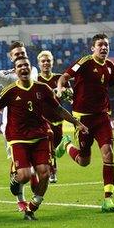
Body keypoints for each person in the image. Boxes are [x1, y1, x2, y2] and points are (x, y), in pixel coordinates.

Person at [0, 57, 88, 220]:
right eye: (19, 66)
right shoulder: (9, 91)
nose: (23, 68)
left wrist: (77, 123)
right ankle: (15, 179)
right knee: (24, 175)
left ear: (31, 69)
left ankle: (33, 206)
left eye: (26, 65)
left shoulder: (42, 88)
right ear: (15, 71)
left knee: (44, 173)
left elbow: (58, 109)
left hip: (39, 136)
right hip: (18, 138)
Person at [55, 33, 114, 212]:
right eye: (100, 45)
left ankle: (108, 199)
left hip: (102, 116)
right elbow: (63, 77)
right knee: (83, 161)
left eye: (106, 45)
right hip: (82, 118)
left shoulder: (110, 66)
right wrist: (60, 89)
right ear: (93, 48)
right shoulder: (85, 62)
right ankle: (67, 145)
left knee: (108, 153)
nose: (104, 48)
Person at [0, 41, 39, 211]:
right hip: (13, 127)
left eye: (22, 53)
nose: (20, 55)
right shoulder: (9, 75)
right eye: (17, 54)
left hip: (34, 124)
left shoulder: (33, 70)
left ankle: (32, 186)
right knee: (20, 163)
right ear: (11, 57)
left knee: (34, 163)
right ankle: (20, 197)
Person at [36, 50, 73, 183]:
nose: (46, 63)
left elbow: (70, 95)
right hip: (42, 119)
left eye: (48, 61)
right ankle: (52, 172)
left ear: (52, 63)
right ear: (39, 64)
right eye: (43, 61)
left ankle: (64, 144)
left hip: (58, 119)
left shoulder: (59, 78)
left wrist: (64, 92)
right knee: (48, 146)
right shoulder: (36, 80)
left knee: (55, 149)